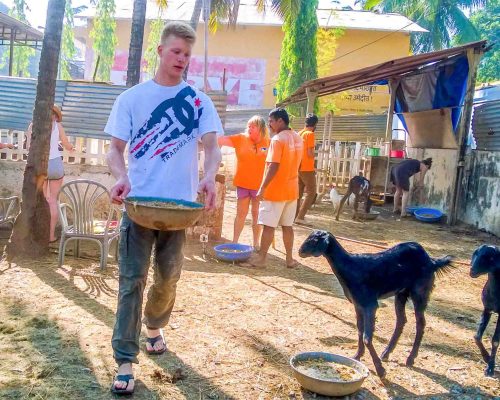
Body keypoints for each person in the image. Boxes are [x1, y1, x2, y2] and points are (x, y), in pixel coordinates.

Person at [105, 21, 222, 396]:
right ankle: (125, 359)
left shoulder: (198, 100)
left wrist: (209, 176)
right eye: (176, 52)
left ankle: (154, 325)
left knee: (168, 277)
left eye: (187, 55)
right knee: (131, 279)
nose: (182, 60)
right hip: (138, 206)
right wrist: (120, 177)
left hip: (179, 209)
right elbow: (114, 150)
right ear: (160, 51)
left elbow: (212, 145)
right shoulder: (132, 99)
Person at [249, 108, 303, 269]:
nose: (270, 125)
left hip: (276, 191)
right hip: (292, 189)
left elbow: (273, 165)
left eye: (271, 121)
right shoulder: (298, 138)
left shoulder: (278, 139)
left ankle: (261, 259)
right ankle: (289, 259)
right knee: (288, 226)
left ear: (280, 121)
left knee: (268, 226)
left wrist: (262, 188)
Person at [218, 116, 269, 249]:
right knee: (241, 214)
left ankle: (256, 243)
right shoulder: (240, 138)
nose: (250, 128)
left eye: (253, 126)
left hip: (259, 186)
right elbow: (220, 140)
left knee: (257, 215)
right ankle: (235, 241)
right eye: (249, 126)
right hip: (243, 183)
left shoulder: (269, 142)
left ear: (261, 128)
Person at [26, 105, 74, 242]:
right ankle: (51, 236)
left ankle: (34, 234)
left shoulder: (33, 126)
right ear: (55, 115)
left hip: (40, 166)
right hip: (55, 165)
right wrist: (71, 148)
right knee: (53, 200)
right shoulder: (58, 126)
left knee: (39, 199)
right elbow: (66, 144)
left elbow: (30, 146)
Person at [295, 113, 318, 224]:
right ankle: (301, 217)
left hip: (298, 167)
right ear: (315, 124)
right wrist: (315, 156)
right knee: (311, 192)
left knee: (298, 194)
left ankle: (294, 216)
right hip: (307, 168)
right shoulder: (310, 134)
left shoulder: (299, 133)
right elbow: (310, 153)